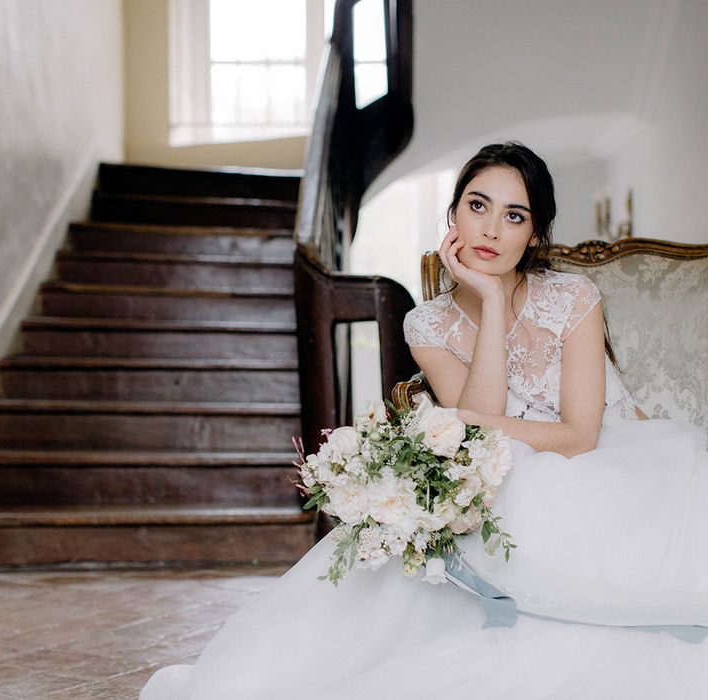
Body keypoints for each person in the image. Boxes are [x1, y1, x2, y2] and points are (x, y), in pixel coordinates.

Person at [140, 143, 708, 699]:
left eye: (514, 216)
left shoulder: (574, 297)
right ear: (454, 213)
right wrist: (487, 300)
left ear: (534, 235)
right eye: (477, 206)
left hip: (616, 466)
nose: (489, 231)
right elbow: (480, 425)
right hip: (510, 474)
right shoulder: (427, 325)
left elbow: (580, 436)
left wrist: (467, 416)